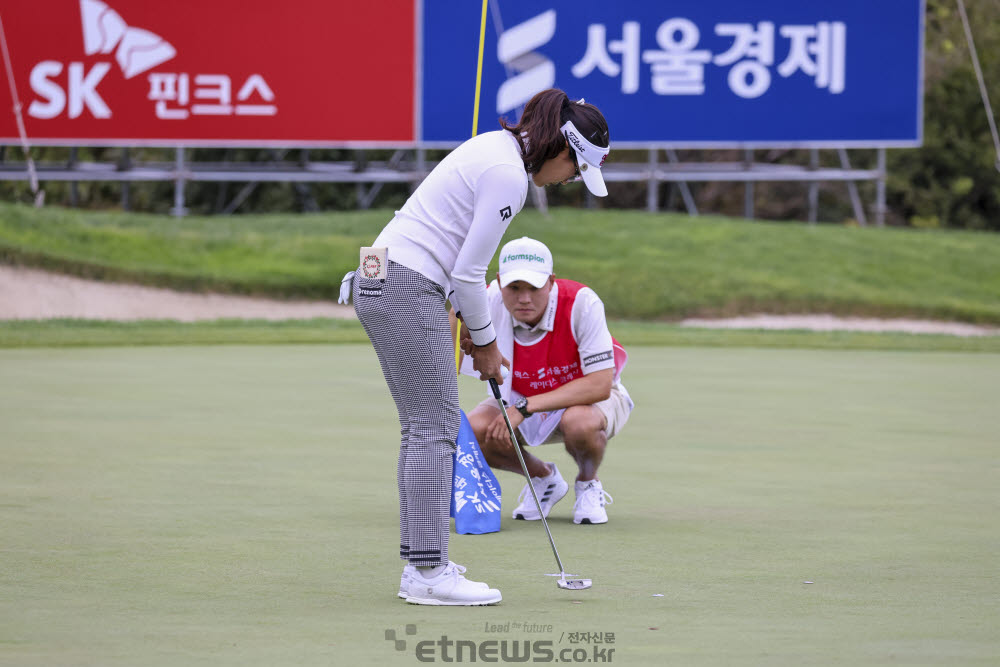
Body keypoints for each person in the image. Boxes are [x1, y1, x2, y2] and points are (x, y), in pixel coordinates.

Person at [342, 89, 611, 605]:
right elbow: (469, 273)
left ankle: (426, 566)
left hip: (380, 271)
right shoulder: (509, 172)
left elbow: (456, 269)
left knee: (431, 425)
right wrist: (485, 345)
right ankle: (426, 573)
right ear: (562, 148)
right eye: (575, 170)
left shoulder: (495, 147)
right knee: (433, 428)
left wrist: (463, 319)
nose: (569, 180)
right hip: (403, 282)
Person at [461, 237, 632, 526]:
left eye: (533, 288)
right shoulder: (488, 301)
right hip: (518, 398)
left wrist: (524, 407)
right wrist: (461, 321)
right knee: (473, 430)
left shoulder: (581, 302)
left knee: (580, 424)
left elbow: (599, 385)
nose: (524, 298)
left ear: (551, 282)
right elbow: (455, 319)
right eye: (514, 288)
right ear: (500, 282)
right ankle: (544, 479)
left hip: (587, 401)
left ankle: (588, 483)